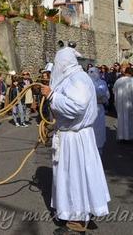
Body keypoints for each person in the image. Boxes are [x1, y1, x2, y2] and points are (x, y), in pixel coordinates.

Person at [40, 47, 110, 235]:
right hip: (74, 135)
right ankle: (77, 213)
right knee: (77, 175)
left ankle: (77, 220)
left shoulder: (77, 79)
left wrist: (52, 95)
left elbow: (76, 106)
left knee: (74, 177)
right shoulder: (74, 78)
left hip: (74, 138)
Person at [113, 67, 133, 142]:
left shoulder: (118, 81)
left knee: (122, 120)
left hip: (120, 104)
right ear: (132, 73)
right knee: (132, 121)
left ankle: (122, 137)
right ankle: (132, 137)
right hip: (130, 105)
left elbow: (114, 91)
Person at [88, 67, 110, 155]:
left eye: (92, 72)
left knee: (99, 129)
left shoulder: (102, 82)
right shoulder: (87, 83)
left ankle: (99, 147)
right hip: (89, 108)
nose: (90, 74)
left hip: (98, 108)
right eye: (89, 72)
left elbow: (104, 94)